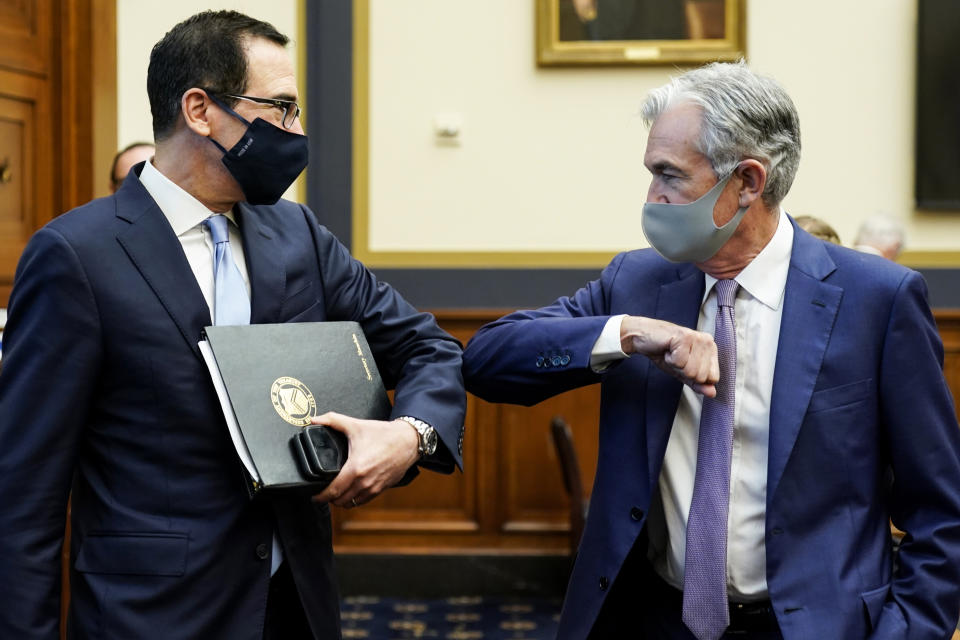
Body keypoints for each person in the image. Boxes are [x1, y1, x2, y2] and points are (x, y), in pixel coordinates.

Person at [0, 11, 465, 640]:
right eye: (281, 108)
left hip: (295, 604)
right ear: (200, 109)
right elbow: (24, 494)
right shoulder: (76, 255)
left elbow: (425, 346)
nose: (296, 131)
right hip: (152, 617)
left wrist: (412, 434)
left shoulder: (297, 234)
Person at [462, 61, 960, 639]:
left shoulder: (878, 300)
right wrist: (625, 333)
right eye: (651, 175)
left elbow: (941, 511)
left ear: (747, 182)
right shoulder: (637, 282)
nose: (652, 198)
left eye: (670, 176)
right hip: (652, 618)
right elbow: (487, 359)